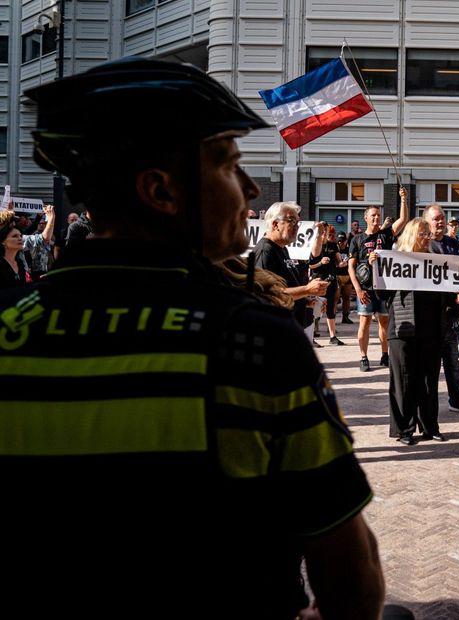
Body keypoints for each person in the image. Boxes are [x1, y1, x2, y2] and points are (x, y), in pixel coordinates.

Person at [1, 57, 383, 618]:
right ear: (160, 190)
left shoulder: (10, 332)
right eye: (229, 166)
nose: (251, 188)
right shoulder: (252, 341)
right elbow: (350, 575)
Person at [370, 217, 452, 445]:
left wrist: (456, 297)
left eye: (428, 234)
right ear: (411, 235)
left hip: (431, 329)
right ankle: (403, 429)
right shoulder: (396, 260)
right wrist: (375, 268)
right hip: (403, 329)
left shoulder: (436, 260)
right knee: (403, 380)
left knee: (429, 381)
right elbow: (383, 296)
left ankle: (429, 426)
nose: (426, 237)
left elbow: (447, 292)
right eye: (422, 233)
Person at [348, 196, 409, 372]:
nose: (376, 218)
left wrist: (403, 200)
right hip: (366, 288)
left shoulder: (386, 234)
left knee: (384, 322)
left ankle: (384, 355)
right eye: (373, 215)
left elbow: (403, 220)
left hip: (384, 287)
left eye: (378, 215)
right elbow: (351, 268)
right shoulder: (357, 239)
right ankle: (363, 357)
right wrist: (358, 290)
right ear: (366, 217)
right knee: (364, 322)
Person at [255, 203, 329, 339]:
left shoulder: (282, 248)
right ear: (275, 224)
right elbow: (267, 295)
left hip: (293, 325)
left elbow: (286, 287)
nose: (296, 227)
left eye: (298, 223)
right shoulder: (266, 250)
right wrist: (307, 290)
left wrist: (306, 300)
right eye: (291, 221)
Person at [425, 203, 459, 412]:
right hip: (429, 314)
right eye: (435, 219)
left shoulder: (455, 245)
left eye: (442, 218)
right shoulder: (421, 247)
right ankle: (427, 404)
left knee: (452, 359)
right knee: (430, 363)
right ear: (427, 222)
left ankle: (457, 398)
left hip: (451, 312)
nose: (440, 222)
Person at [311, 224, 346, 346]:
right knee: (314, 309)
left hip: (331, 280)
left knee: (331, 308)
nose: (327, 235)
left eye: (329, 233)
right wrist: (320, 262)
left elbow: (338, 262)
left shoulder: (332, 245)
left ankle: (333, 337)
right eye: (325, 232)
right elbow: (310, 265)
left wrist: (342, 264)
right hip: (317, 281)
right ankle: (311, 335)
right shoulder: (315, 245)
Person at [0, 210, 29, 288]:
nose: (20, 239)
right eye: (15, 236)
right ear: (3, 241)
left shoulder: (19, 263)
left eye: (20, 236)